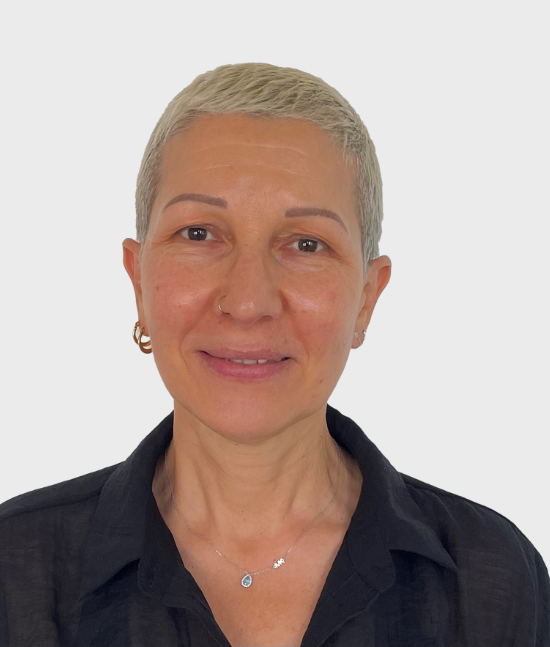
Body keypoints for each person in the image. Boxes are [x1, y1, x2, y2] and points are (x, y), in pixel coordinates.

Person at [0, 62, 548, 647]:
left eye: (307, 244)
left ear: (367, 298)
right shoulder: (14, 574)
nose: (248, 302)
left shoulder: (491, 582)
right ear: (139, 281)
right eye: (199, 234)